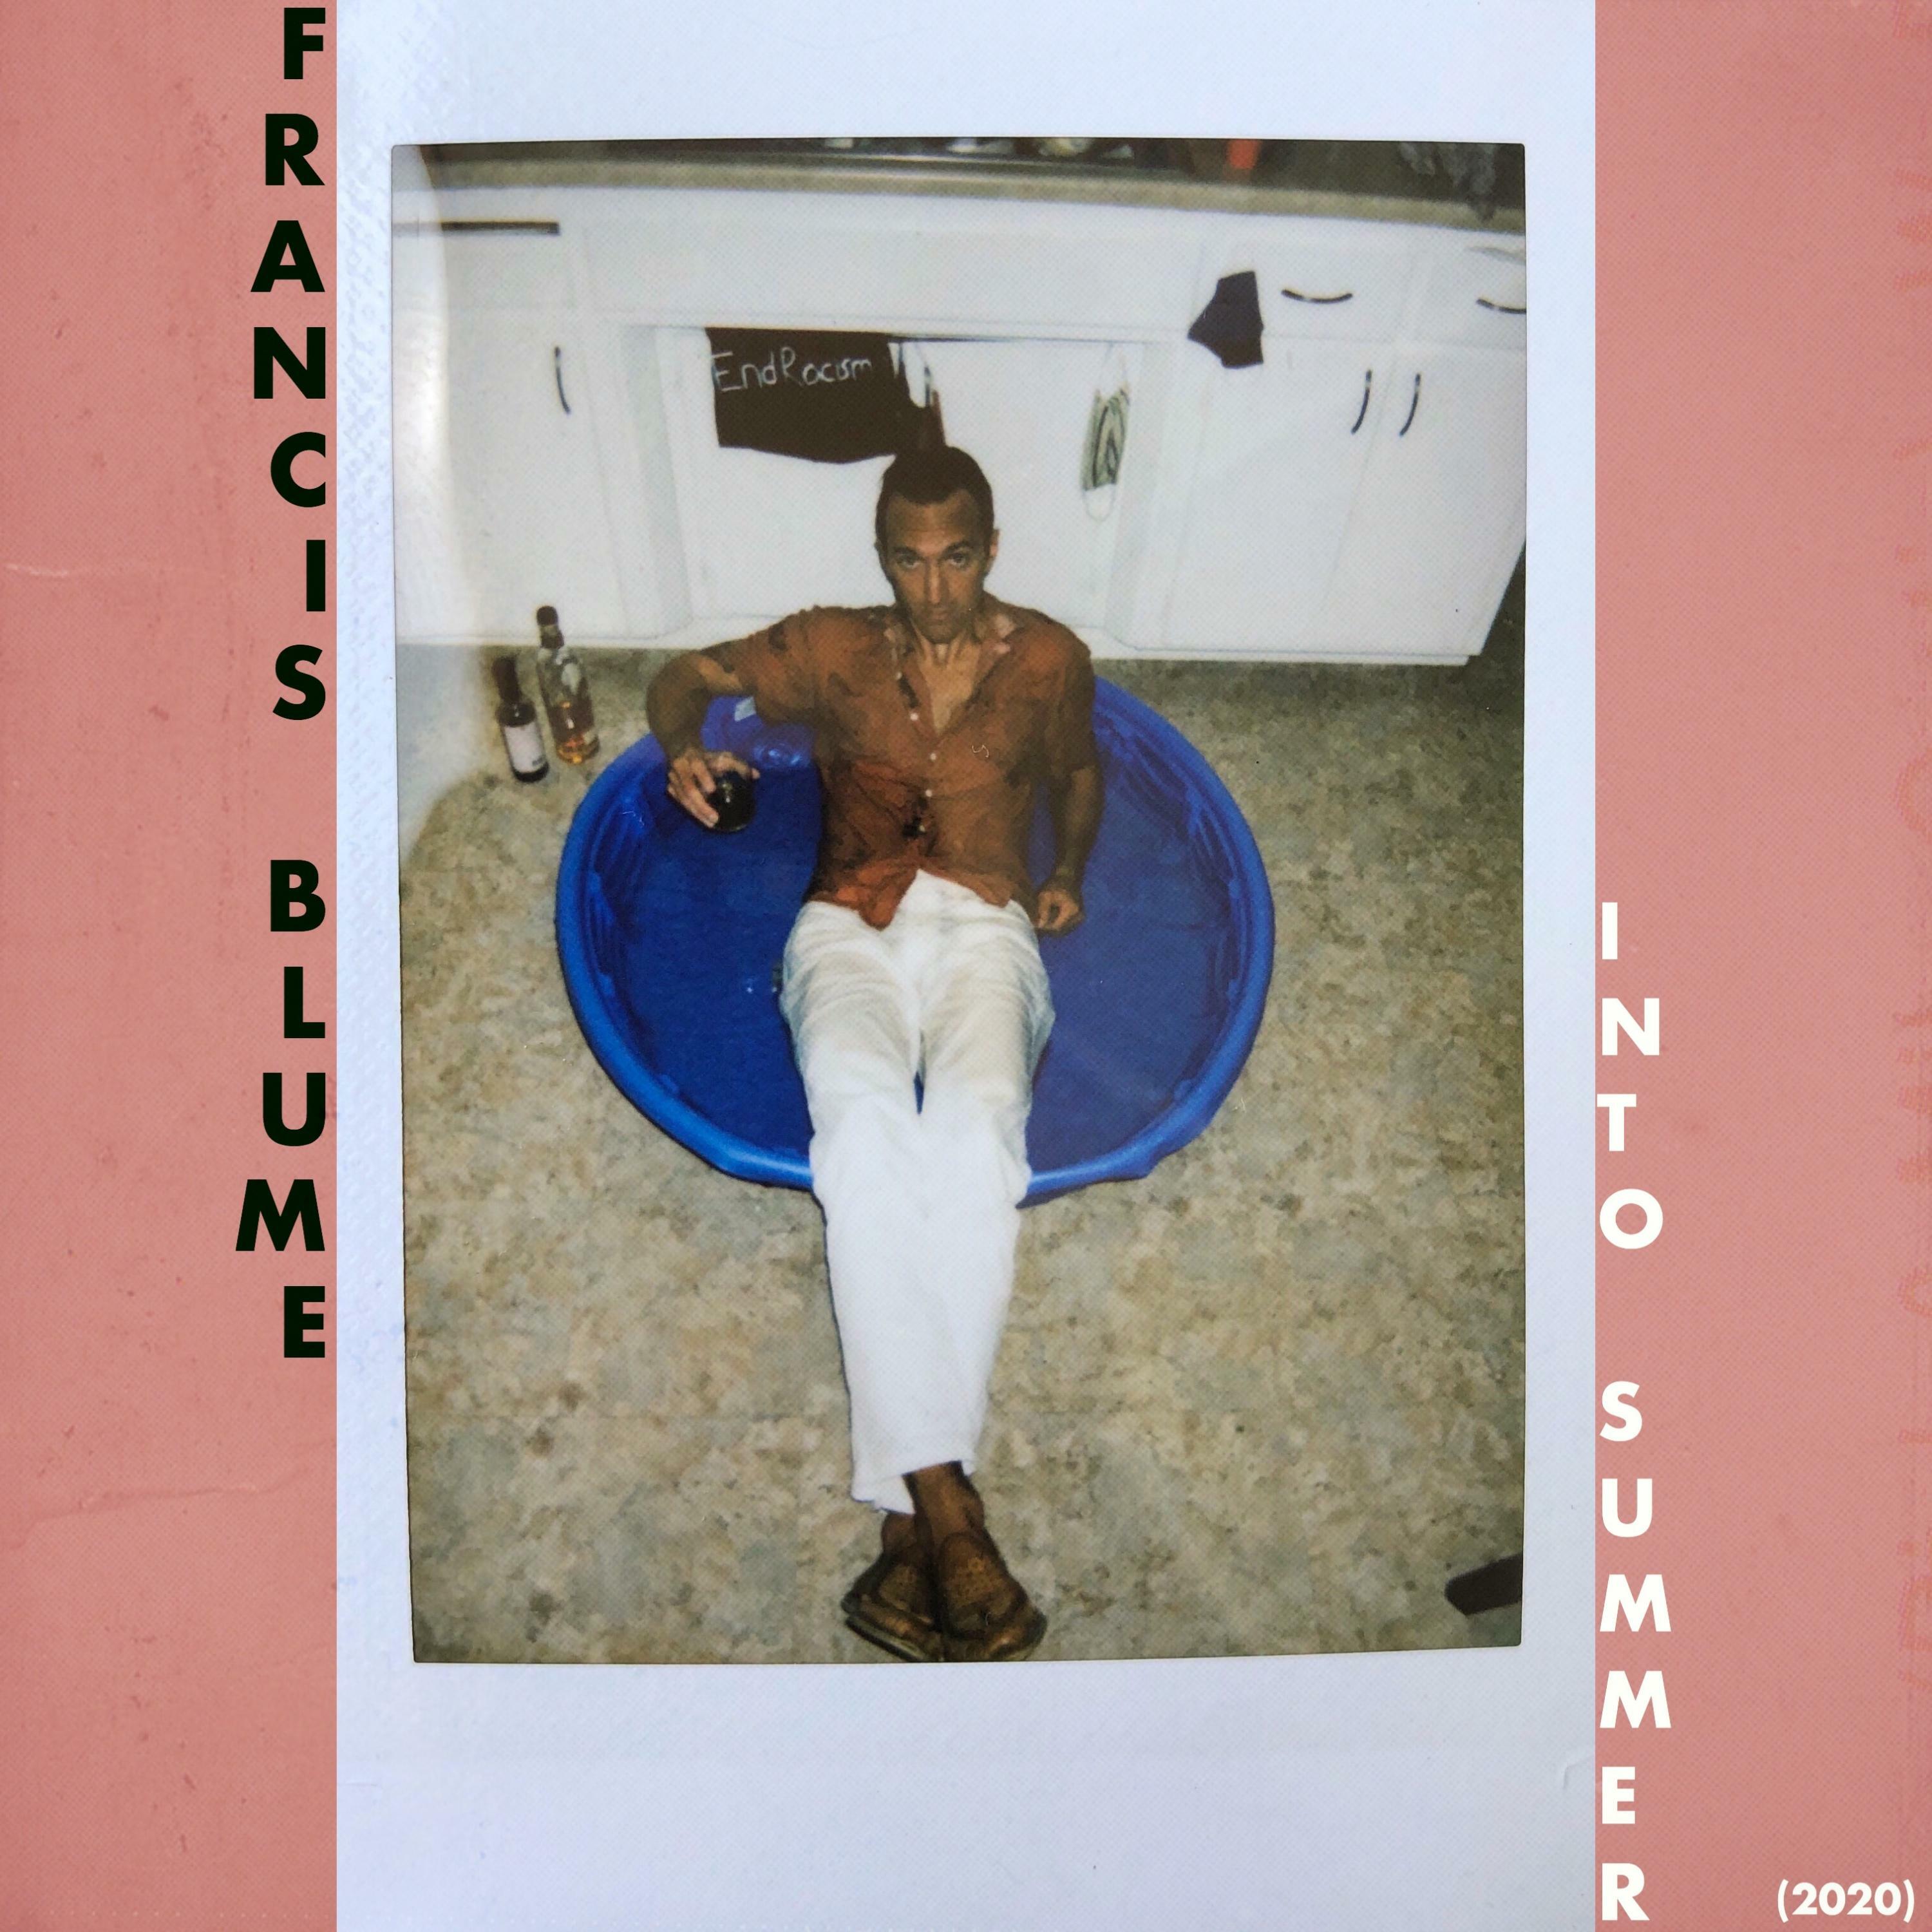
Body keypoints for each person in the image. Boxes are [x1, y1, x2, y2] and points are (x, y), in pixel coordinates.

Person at [645, 445, 1103, 1662]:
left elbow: (1079, 770)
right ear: (882, 556)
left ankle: (908, 1523)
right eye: (909, 560)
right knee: (860, 1133)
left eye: (957, 559)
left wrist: (1068, 870)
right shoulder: (831, 646)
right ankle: (947, 1504)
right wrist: (682, 746)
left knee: (975, 1137)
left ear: (992, 549)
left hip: (988, 926)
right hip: (845, 924)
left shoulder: (1051, 658)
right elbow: (680, 678)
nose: (934, 589)